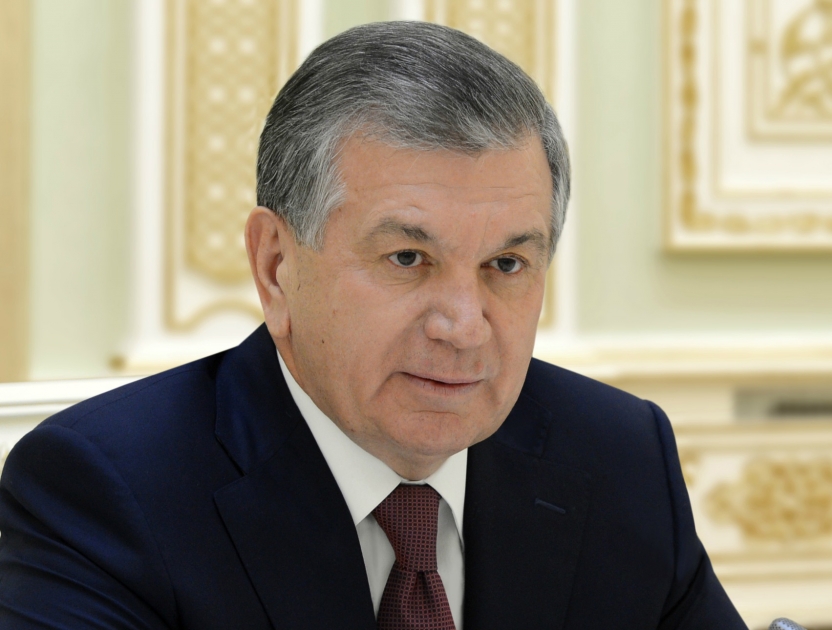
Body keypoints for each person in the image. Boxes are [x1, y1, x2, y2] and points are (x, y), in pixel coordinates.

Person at [0, 21, 747, 629]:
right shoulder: (104, 491)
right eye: (407, 258)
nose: (464, 327)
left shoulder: (620, 457)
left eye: (506, 265)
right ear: (275, 266)